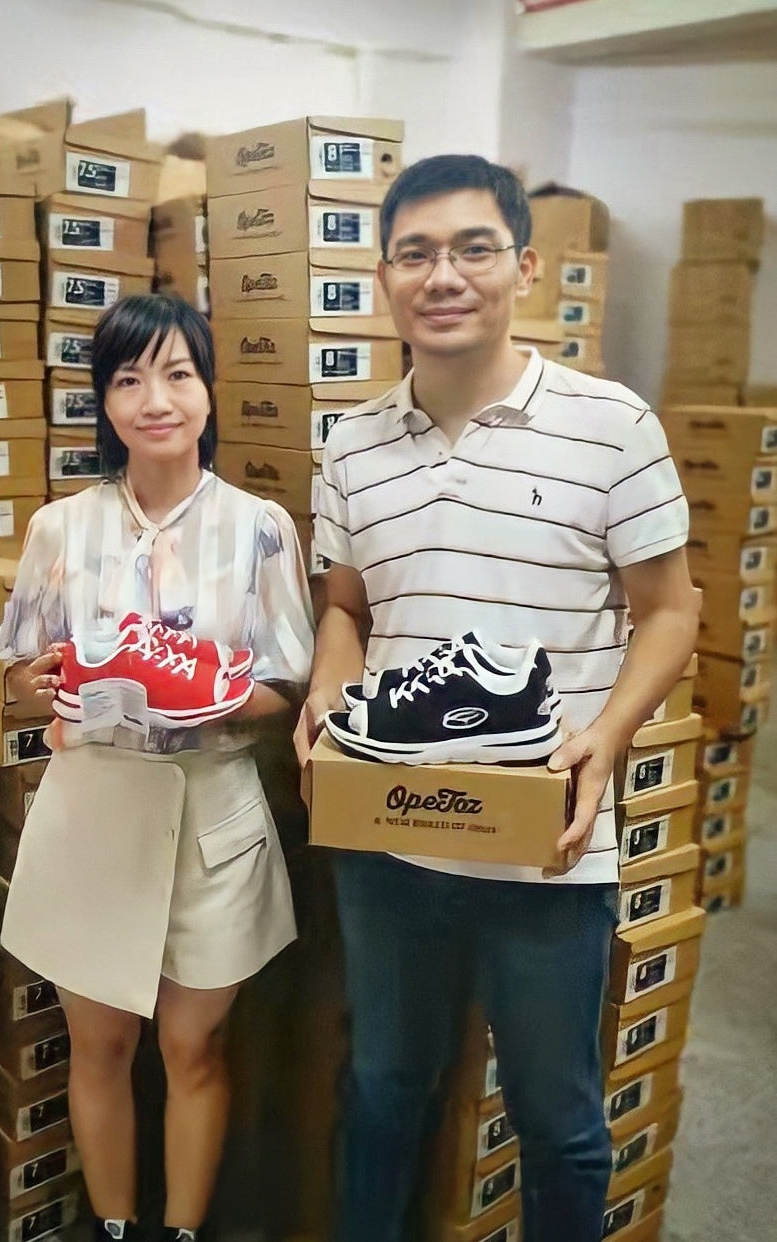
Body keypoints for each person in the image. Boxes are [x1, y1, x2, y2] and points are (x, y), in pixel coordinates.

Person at [294, 155, 699, 1242]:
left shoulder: (612, 425)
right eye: (415, 253)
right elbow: (345, 608)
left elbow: (669, 612)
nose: (443, 275)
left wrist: (605, 742)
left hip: (547, 843)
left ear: (521, 265)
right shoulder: (351, 444)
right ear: (381, 278)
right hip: (390, 837)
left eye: (471, 248)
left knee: (557, 1119)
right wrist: (329, 691)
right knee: (381, 1091)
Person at [0, 294, 315, 1242]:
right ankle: (118, 1227)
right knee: (100, 1044)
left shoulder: (259, 529)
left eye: (176, 373)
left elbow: (288, 683)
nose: (153, 398)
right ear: (106, 403)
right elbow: (15, 675)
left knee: (193, 1046)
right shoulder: (61, 527)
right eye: (127, 379)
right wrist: (33, 681)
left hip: (212, 812)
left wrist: (211, 698)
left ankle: (181, 1232)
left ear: (210, 392)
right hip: (93, 813)